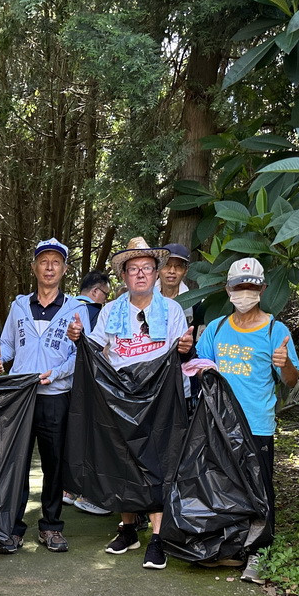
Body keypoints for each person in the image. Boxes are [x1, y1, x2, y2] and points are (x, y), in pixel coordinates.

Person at [66, 237, 193, 570]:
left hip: (159, 399)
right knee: (120, 460)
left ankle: (158, 538)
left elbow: (180, 353)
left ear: (156, 274)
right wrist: (77, 337)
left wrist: (186, 348)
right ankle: (127, 529)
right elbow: (96, 348)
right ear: (124, 276)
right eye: (133, 269)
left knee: (158, 463)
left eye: (147, 269)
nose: (140, 275)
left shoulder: (171, 310)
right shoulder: (112, 310)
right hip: (120, 396)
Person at [194, 257, 299, 583]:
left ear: (262, 289)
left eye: (251, 286)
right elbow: (199, 366)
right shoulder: (216, 328)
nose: (245, 292)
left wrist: (283, 364)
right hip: (220, 424)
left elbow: (292, 380)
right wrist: (196, 360)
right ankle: (227, 550)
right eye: (239, 286)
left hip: (257, 424)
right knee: (224, 488)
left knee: (259, 491)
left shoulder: (275, 330)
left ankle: (259, 555)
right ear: (228, 290)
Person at [0, 238, 85, 553]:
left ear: (65, 269)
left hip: (56, 395)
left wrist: (56, 373)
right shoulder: (19, 306)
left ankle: (51, 527)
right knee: (15, 462)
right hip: (20, 396)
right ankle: (13, 529)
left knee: (54, 463)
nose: (49, 267)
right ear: (34, 267)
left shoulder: (76, 309)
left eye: (55, 262)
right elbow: (6, 347)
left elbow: (81, 356)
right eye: (43, 261)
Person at [66, 270, 113, 515]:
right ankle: (91, 493)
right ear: (96, 292)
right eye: (105, 294)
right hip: (91, 387)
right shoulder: (97, 314)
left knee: (71, 436)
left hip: (62, 388)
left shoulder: (62, 306)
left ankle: (69, 489)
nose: (106, 299)